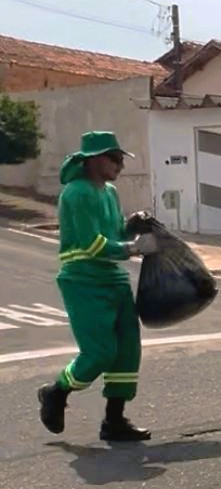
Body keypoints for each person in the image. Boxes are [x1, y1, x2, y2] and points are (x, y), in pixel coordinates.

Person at [37, 131, 159, 442]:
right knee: (100, 352)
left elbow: (114, 230)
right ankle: (56, 392)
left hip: (113, 278)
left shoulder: (109, 192)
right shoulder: (77, 194)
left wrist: (132, 224)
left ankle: (114, 421)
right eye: (114, 158)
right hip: (83, 279)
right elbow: (92, 244)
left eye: (120, 158)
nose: (120, 164)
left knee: (127, 351)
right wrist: (133, 248)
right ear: (93, 160)